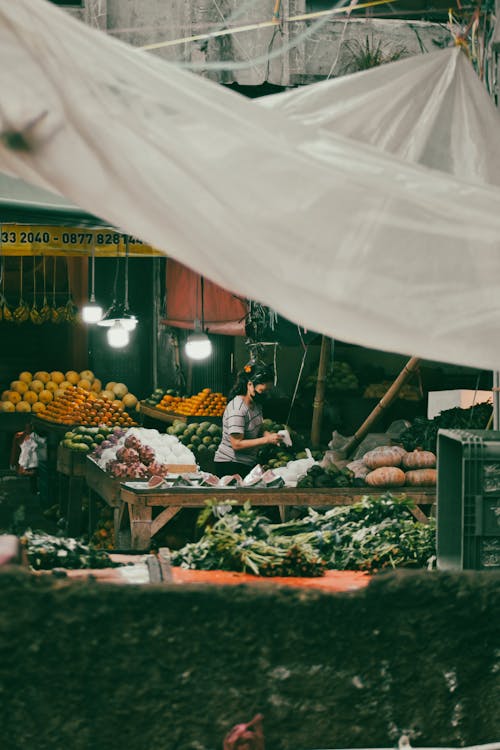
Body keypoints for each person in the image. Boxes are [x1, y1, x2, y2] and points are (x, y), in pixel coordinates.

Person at [214, 362, 282, 477]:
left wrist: (269, 435)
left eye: (268, 391)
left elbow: (258, 428)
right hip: (230, 464)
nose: (266, 394)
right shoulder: (237, 409)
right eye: (263, 390)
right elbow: (237, 444)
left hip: (247, 462)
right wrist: (267, 440)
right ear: (250, 385)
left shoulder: (256, 404)